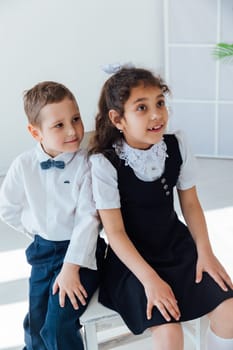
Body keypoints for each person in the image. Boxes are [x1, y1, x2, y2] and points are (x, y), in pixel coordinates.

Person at [88, 66, 233, 350]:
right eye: (141, 107)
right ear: (118, 119)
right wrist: (150, 280)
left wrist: (205, 252)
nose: (156, 115)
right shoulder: (104, 164)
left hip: (176, 248)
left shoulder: (175, 145)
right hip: (133, 263)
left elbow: (190, 204)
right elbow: (115, 233)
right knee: (169, 334)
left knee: (230, 312)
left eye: (160, 103)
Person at [0, 81, 105, 350]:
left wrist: (71, 268)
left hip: (82, 256)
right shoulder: (23, 165)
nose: (72, 130)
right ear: (35, 132)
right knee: (34, 321)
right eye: (59, 125)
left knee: (57, 324)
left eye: (76, 119)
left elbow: (89, 221)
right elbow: (8, 207)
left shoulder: (87, 163)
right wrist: (37, 231)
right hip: (43, 252)